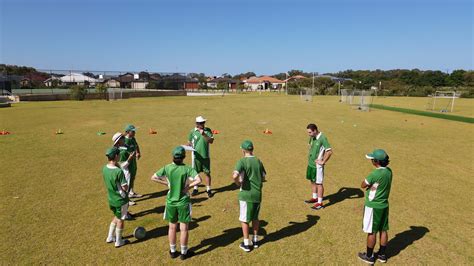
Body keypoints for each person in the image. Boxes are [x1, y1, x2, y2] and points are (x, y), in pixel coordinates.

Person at [151, 146, 202, 260]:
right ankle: (184, 252)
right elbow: (199, 179)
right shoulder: (188, 169)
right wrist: (188, 186)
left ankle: (173, 251)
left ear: (173, 156)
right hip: (183, 201)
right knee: (184, 228)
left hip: (170, 202)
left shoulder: (167, 168)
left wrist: (166, 184)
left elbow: (153, 177)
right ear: (184, 157)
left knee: (172, 227)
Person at [358, 149, 392, 264]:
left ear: (376, 162)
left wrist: (371, 186)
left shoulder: (375, 174)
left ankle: (369, 256)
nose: (371, 160)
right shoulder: (389, 171)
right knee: (383, 230)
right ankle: (382, 255)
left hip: (373, 206)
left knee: (371, 231)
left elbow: (363, 184)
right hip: (384, 205)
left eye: (372, 159)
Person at [232, 140, 266, 252]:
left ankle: (246, 243)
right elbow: (263, 177)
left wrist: (237, 183)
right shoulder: (258, 161)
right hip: (257, 194)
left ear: (243, 150)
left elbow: (234, 175)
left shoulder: (241, 161)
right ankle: (255, 240)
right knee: (255, 218)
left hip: (246, 195)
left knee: (244, 219)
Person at [102, 147, 129, 248]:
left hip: (111, 199)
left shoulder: (104, 168)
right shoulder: (118, 171)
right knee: (121, 220)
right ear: (116, 156)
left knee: (116, 217)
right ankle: (118, 241)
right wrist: (127, 188)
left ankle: (110, 237)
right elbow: (124, 187)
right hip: (120, 200)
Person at [304, 123, 333, 210]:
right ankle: (314, 197)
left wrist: (323, 161)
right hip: (310, 164)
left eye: (310, 132)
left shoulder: (323, 138)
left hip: (317, 166)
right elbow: (310, 145)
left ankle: (320, 203)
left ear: (315, 131)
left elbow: (329, 151)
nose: (308, 134)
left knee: (319, 183)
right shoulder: (312, 137)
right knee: (312, 181)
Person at [187, 116, 214, 198]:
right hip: (196, 157)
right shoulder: (192, 132)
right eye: (201, 123)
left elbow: (211, 141)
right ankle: (195, 188)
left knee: (207, 173)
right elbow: (189, 142)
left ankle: (208, 189)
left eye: (203, 122)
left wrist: (204, 134)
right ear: (197, 124)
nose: (203, 124)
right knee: (196, 173)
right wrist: (188, 145)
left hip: (206, 156)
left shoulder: (208, 130)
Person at [112, 132, 137, 209]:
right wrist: (130, 158)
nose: (124, 138)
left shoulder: (125, 146)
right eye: (122, 138)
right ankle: (126, 202)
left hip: (130, 168)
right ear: (119, 141)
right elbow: (122, 165)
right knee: (125, 187)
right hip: (126, 171)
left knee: (128, 186)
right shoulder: (121, 151)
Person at [124, 124, 142, 198]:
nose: (135, 133)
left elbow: (136, 145)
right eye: (133, 131)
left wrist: (138, 152)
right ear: (128, 132)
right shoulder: (125, 141)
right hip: (127, 163)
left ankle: (131, 192)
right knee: (127, 179)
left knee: (132, 177)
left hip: (133, 161)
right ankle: (126, 197)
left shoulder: (133, 138)